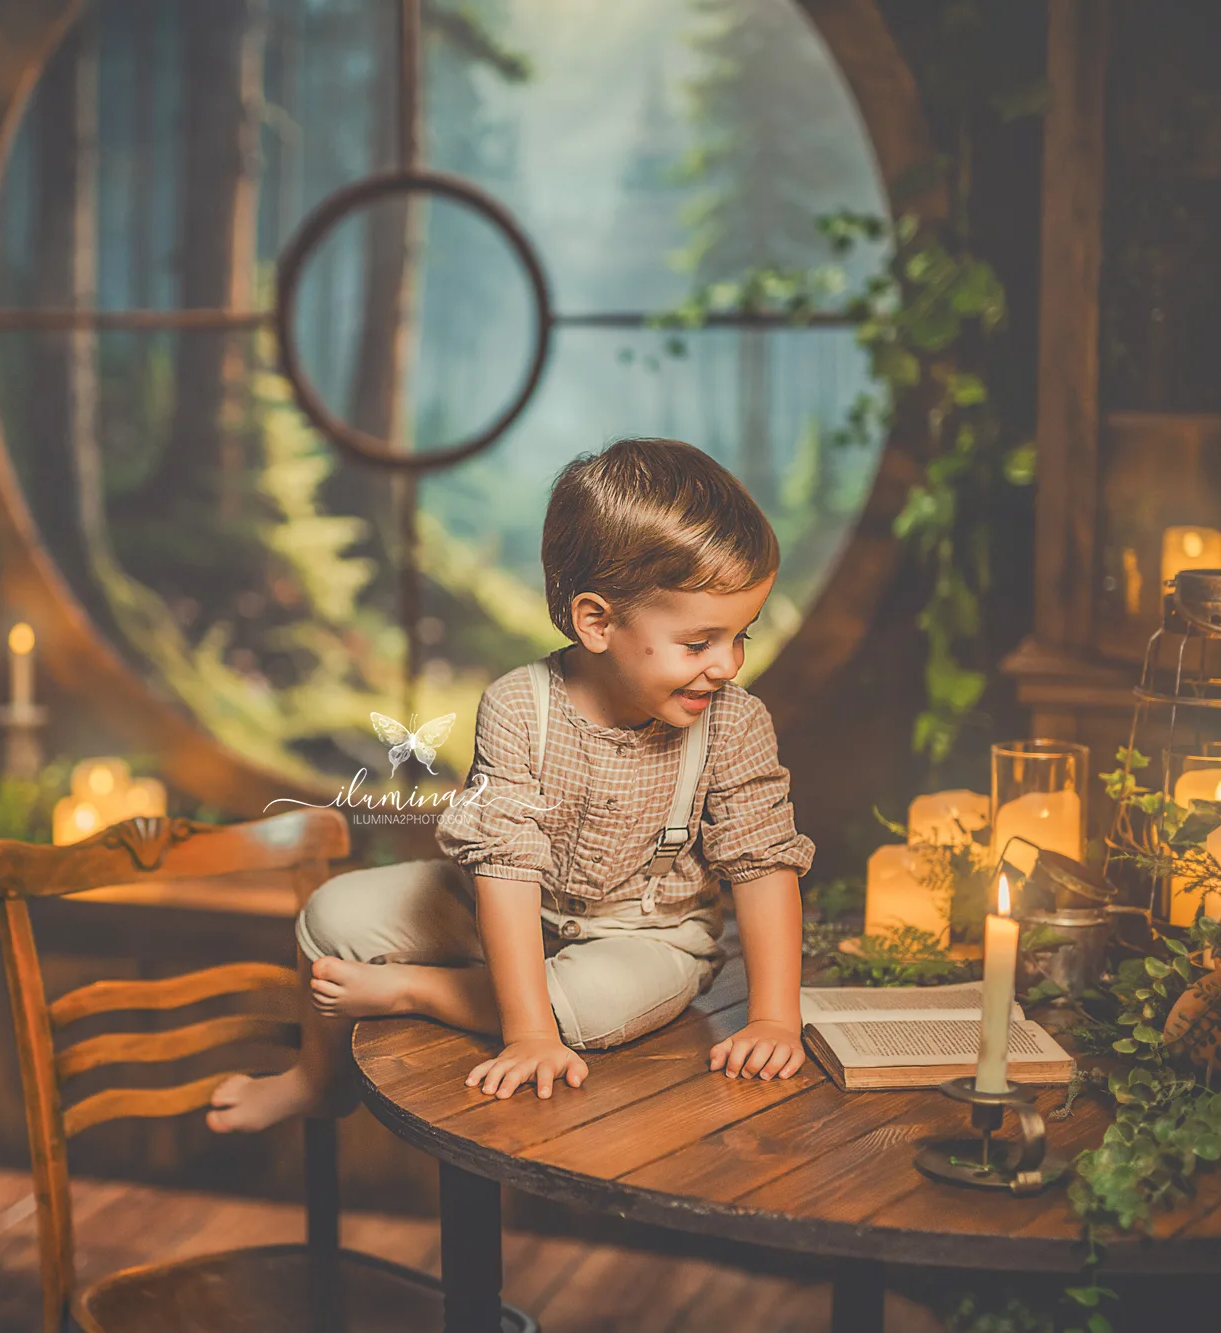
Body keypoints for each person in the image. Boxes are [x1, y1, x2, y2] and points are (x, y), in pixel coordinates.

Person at [208, 438, 814, 1131]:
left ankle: (421, 991)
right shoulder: (520, 706)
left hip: (648, 933)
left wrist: (774, 1019)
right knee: (331, 915)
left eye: (742, 636)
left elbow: (764, 865)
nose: (728, 665)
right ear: (597, 621)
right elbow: (504, 868)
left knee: (593, 1007)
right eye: (700, 643)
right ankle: (315, 1081)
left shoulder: (734, 722)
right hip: (508, 906)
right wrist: (526, 1033)